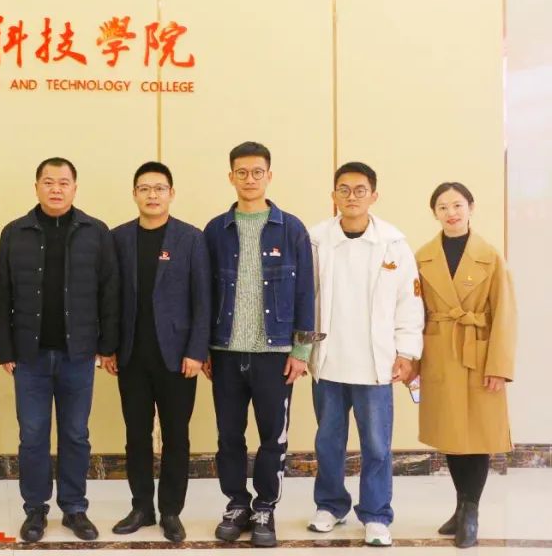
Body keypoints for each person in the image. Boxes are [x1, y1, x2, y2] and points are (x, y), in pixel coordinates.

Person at [0, 157, 120, 543]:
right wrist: (4, 349)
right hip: (29, 356)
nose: (56, 189)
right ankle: (35, 509)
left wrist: (106, 346)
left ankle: (74, 507)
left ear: (75, 188)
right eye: (48, 182)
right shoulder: (15, 232)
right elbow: (1, 295)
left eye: (64, 182)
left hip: (78, 355)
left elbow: (109, 293)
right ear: (36, 187)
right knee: (32, 436)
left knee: (76, 434)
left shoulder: (96, 232)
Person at [202, 141, 315, 548]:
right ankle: (237, 503)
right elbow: (204, 294)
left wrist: (301, 350)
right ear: (230, 176)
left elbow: (306, 293)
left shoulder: (292, 228)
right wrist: (203, 348)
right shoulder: (215, 230)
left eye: (257, 172)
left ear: (269, 175)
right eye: (242, 172)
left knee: (272, 436)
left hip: (275, 354)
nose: (249, 179)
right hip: (226, 352)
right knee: (229, 435)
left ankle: (265, 506)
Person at [305, 162, 423, 547]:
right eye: (343, 189)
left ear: (374, 195)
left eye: (360, 190)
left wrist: (407, 351)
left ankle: (376, 514)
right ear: (333, 195)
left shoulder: (393, 243)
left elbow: (409, 302)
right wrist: (302, 351)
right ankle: (330, 505)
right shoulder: (316, 240)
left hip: (376, 364)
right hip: (329, 361)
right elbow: (305, 300)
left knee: (376, 445)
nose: (351, 196)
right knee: (328, 442)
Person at [106, 161, 210, 543]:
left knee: (176, 436)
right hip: (131, 355)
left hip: (178, 358)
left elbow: (203, 299)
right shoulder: (118, 238)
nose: (152, 195)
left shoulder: (191, 238)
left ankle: (170, 511)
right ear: (134, 194)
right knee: (136, 435)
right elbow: (110, 298)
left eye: (159, 188)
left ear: (171, 193)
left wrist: (197, 351)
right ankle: (141, 507)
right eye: (144, 188)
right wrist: (108, 347)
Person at [413, 182, 517, 549]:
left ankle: (470, 510)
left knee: (478, 433)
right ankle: (461, 506)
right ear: (434, 213)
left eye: (457, 205)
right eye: (443, 207)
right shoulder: (423, 256)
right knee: (453, 434)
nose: (451, 212)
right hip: (440, 353)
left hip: (479, 354)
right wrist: (412, 359)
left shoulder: (490, 256)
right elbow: (412, 313)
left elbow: (505, 313)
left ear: (471, 207)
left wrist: (499, 366)